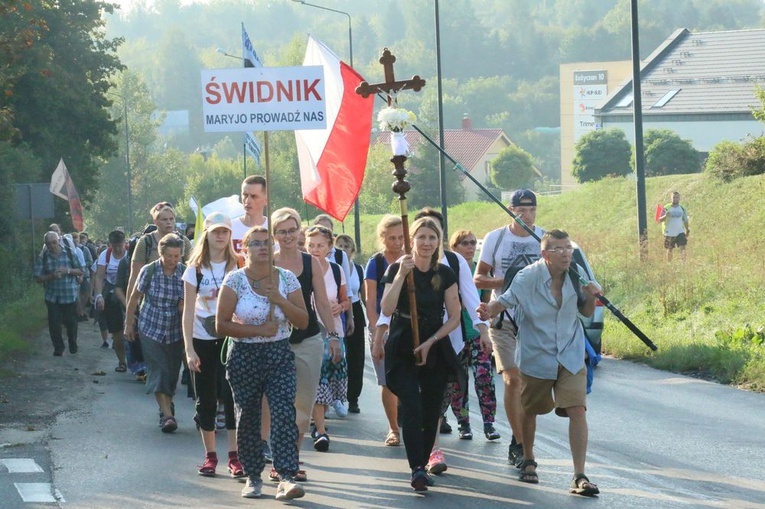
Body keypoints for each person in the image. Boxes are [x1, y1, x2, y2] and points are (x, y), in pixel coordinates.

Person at [477, 229, 600, 496]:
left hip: (570, 352)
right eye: (558, 249)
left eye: (568, 248)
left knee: (577, 409)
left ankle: (580, 475)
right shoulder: (528, 276)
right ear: (545, 254)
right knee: (530, 409)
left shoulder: (577, 273)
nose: (566, 253)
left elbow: (587, 311)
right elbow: (505, 302)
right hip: (536, 353)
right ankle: (529, 458)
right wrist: (488, 310)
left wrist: (592, 295)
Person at [216, 226, 308, 501]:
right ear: (245, 249)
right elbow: (221, 325)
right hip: (245, 357)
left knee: (283, 413)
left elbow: (303, 321)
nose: (263, 248)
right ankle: (253, 475)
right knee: (248, 417)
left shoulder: (287, 279)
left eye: (267, 243)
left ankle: (287, 476)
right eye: (255, 243)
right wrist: (257, 331)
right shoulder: (235, 280)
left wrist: (278, 298)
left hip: (279, 355)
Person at [374, 216, 461, 492]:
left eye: (432, 238)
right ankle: (416, 468)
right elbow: (386, 309)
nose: (426, 243)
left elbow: (455, 316)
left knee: (431, 406)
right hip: (402, 341)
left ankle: (422, 463)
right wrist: (401, 274)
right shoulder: (398, 269)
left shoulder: (445, 274)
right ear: (412, 240)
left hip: (433, 342)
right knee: (412, 403)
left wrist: (431, 341)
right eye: (421, 237)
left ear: (438, 242)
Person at [474, 188, 544, 466]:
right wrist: (509, 282)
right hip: (502, 317)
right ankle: (519, 440)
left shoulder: (543, 237)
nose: (526, 214)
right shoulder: (496, 238)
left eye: (531, 209)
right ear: (510, 210)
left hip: (535, 320)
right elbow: (479, 278)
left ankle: (524, 440)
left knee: (529, 382)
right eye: (520, 209)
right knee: (512, 379)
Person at [271, 207, 338, 482]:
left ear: (300, 230)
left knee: (302, 406)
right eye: (281, 231)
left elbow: (321, 301)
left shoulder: (311, 262)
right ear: (273, 234)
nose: (287, 236)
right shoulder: (266, 262)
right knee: (278, 405)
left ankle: (292, 460)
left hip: (308, 338)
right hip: (273, 341)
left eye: (292, 230)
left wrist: (333, 336)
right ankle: (279, 461)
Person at [182, 212, 242, 478]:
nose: (220, 236)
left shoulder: (238, 265)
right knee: (206, 400)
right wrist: (188, 348)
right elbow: (187, 311)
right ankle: (210, 456)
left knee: (231, 398)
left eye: (225, 231)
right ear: (206, 234)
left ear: (230, 235)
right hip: (202, 339)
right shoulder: (194, 269)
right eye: (215, 231)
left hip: (230, 339)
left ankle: (234, 455)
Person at [124, 233, 186, 433]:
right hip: (150, 328)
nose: (173, 260)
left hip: (175, 331)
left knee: (171, 374)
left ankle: (167, 405)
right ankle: (167, 415)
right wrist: (128, 324)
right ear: (161, 254)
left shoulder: (185, 274)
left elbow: (188, 304)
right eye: (169, 256)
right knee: (157, 370)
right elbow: (134, 298)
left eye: (177, 256)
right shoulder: (149, 271)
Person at [445, 229, 499, 442]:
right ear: (454, 248)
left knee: (485, 377)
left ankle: (489, 423)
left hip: (477, 333)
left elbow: (486, 302)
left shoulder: (479, 272)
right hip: (456, 333)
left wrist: (487, 324)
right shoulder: (448, 270)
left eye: (472, 243)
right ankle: (463, 423)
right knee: (459, 381)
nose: (469, 247)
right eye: (464, 243)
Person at [305, 225, 351, 451]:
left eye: (320, 245)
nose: (315, 249)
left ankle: (317, 422)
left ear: (329, 247)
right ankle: (319, 429)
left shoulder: (335, 270)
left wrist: (340, 308)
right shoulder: (302, 267)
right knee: (316, 379)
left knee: (328, 379)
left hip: (333, 331)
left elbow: (346, 300)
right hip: (310, 331)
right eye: (311, 245)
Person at [364, 214, 404, 446]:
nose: (397, 242)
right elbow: (370, 301)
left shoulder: (411, 259)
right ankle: (393, 428)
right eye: (392, 238)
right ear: (383, 238)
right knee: (387, 380)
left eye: (400, 237)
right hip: (383, 326)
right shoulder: (376, 263)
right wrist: (376, 329)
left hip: (407, 324)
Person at [34, 231, 84, 356]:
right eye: (49, 243)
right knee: (54, 325)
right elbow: (38, 278)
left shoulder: (70, 253)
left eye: (54, 242)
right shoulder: (44, 257)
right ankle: (58, 348)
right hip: (52, 297)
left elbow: (80, 271)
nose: (52, 246)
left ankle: (73, 343)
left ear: (59, 240)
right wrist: (52, 276)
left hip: (69, 296)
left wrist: (68, 270)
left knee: (71, 324)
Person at [334, 233, 366, 414]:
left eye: (346, 246)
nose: (343, 250)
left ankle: (353, 397)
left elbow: (364, 296)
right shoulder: (331, 269)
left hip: (355, 311)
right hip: (337, 309)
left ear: (352, 250)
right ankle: (334, 395)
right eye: (339, 246)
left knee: (356, 357)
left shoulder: (359, 270)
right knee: (336, 355)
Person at [93, 230, 129, 372]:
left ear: (125, 243)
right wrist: (99, 296)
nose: (119, 249)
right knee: (117, 333)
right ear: (110, 245)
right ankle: (122, 361)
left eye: (121, 245)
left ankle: (137, 362)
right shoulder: (105, 255)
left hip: (127, 292)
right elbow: (100, 277)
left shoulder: (130, 254)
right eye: (115, 246)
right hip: (111, 295)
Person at [231, 175, 268, 252]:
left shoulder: (272, 228)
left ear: (266, 200)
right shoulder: (230, 228)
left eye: (254, 196)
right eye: (245, 195)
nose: (248, 201)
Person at [659, 191, 690, 261]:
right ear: (671, 198)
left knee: (683, 247)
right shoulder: (666, 207)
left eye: (677, 197)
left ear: (679, 198)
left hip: (680, 231)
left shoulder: (682, 208)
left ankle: (683, 264)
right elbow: (660, 220)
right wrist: (665, 216)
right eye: (673, 197)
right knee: (670, 249)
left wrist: (687, 229)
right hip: (669, 232)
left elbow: (685, 220)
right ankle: (669, 264)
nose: (675, 199)